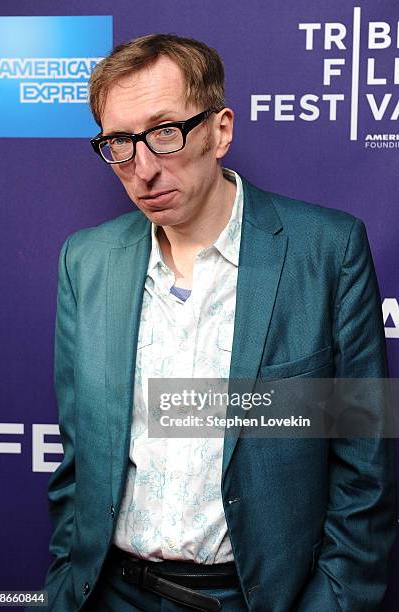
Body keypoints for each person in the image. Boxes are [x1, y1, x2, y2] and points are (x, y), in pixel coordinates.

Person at [39, 34, 397, 611]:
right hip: (106, 592)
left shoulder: (328, 251)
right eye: (119, 144)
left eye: (164, 132)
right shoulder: (86, 260)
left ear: (220, 130)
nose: (144, 168)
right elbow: (79, 456)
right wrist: (66, 582)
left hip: (253, 598)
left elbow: (365, 468)